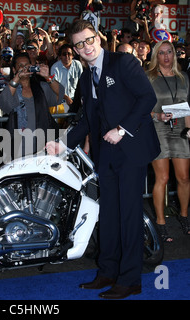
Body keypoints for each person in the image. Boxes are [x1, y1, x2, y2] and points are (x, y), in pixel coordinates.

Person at [45, 20, 160, 299]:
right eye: (78, 44)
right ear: (73, 47)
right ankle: (107, 271)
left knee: (129, 215)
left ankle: (130, 279)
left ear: (98, 37)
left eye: (88, 40)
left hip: (132, 148)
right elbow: (88, 119)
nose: (85, 47)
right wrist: (62, 144)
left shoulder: (123, 63)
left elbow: (148, 98)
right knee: (108, 214)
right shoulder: (86, 78)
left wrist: (121, 130)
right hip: (105, 153)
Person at [146, 40, 190, 241]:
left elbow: (187, 106)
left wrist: (189, 128)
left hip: (180, 129)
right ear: (156, 56)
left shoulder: (183, 78)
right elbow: (142, 109)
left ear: (174, 54)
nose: (166, 56)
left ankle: (184, 216)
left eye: (169, 52)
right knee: (162, 178)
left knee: (183, 178)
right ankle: (161, 223)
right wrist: (158, 116)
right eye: (162, 53)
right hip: (158, 129)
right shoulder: (149, 77)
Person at [0, 52, 64, 158]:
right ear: (14, 70)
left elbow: (60, 95)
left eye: (27, 65)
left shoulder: (41, 87)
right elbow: (4, 103)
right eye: (20, 66)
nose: (24, 68)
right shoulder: (11, 89)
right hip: (18, 145)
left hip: (42, 143)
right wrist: (16, 78)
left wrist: (48, 77)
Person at [50, 43, 83, 108]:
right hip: (61, 101)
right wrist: (66, 98)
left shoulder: (78, 64)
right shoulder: (55, 67)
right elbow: (54, 88)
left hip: (76, 100)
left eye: (69, 54)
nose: (67, 56)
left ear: (73, 55)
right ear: (60, 56)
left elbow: (81, 83)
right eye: (64, 54)